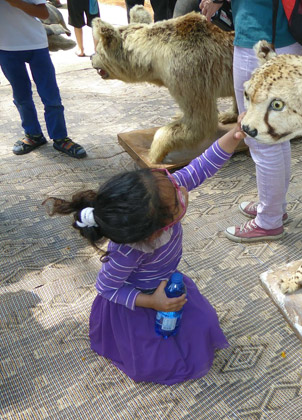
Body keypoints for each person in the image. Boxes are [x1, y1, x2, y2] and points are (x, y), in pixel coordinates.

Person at [43, 121, 246, 385]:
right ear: (154, 233)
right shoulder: (129, 252)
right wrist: (153, 302)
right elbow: (107, 288)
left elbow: (201, 167)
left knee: (203, 324)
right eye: (178, 204)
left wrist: (235, 134)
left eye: (175, 186)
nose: (182, 190)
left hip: (167, 284)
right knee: (157, 359)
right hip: (138, 303)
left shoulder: (163, 193)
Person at [201, 0, 302, 242]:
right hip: (288, 36)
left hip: (260, 38)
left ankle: (268, 220)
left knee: (260, 136)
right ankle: (274, 208)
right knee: (276, 134)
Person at [0, 0, 87, 158]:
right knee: (21, 97)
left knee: (51, 95)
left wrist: (14, 2)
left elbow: (43, 13)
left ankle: (60, 138)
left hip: (36, 44)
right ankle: (33, 135)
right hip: (6, 48)